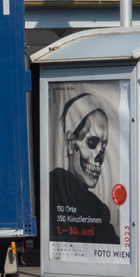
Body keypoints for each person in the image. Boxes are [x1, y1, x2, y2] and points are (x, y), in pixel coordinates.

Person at [49, 93, 119, 245]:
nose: (99, 157)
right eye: (92, 142)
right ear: (71, 144)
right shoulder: (50, 191)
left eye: (104, 147)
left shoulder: (99, 211)